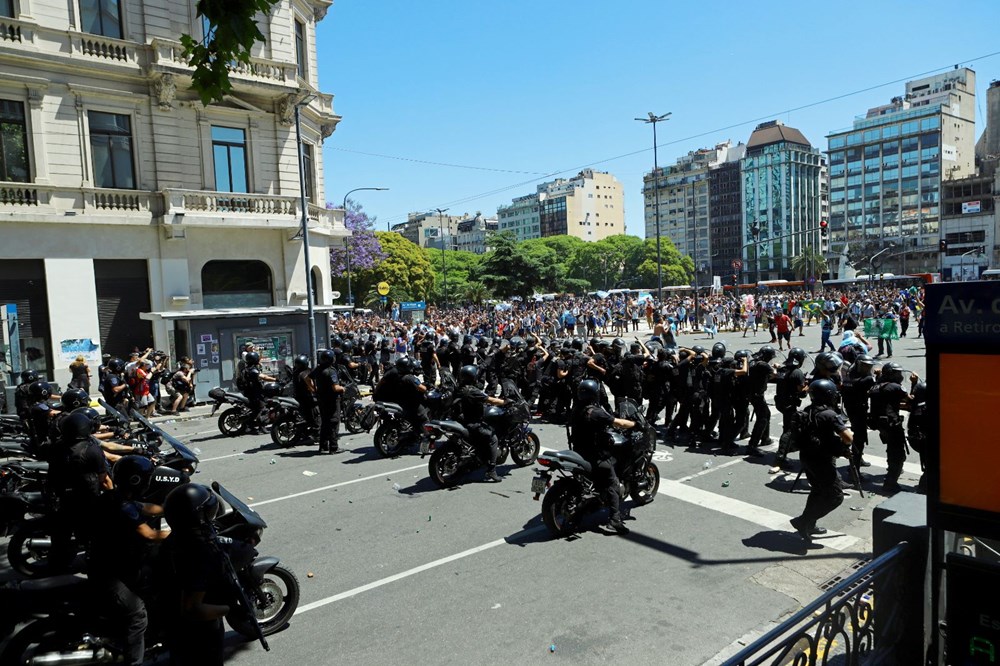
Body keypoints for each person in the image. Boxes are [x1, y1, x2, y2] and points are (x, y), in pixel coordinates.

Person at [88, 456, 169, 666]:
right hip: (109, 572)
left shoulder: (116, 496)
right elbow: (149, 534)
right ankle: (135, 662)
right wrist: (183, 531)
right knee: (137, 614)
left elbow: (145, 507)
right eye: (147, 478)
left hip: (116, 562)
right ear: (136, 480)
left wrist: (175, 509)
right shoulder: (123, 506)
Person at [161, 484, 230, 666]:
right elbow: (193, 609)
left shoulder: (173, 539)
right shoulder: (199, 552)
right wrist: (230, 608)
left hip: (174, 626)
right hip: (200, 634)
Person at [788, 379, 853, 541]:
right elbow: (848, 437)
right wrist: (844, 445)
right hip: (822, 461)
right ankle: (803, 521)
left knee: (817, 491)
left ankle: (809, 525)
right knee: (835, 497)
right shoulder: (830, 415)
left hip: (807, 457)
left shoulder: (808, 411)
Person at [569, 379, 636, 534]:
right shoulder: (596, 412)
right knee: (613, 483)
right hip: (595, 456)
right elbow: (618, 422)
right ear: (594, 394)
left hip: (579, 452)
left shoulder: (577, 408)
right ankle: (614, 520)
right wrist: (634, 424)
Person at [455, 365, 506, 482]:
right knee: (493, 439)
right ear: (473, 377)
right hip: (473, 423)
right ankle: (491, 471)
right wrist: (505, 402)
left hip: (461, 420)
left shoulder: (459, 388)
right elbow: (491, 400)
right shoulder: (473, 391)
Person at [868, 362, 909, 494]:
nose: (900, 376)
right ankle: (890, 483)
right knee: (897, 453)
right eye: (897, 373)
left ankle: (892, 471)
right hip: (891, 424)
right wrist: (914, 384)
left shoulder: (876, 386)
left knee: (891, 449)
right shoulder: (895, 387)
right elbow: (910, 399)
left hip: (880, 424)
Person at [310, 349, 344, 453]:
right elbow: (335, 387)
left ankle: (323, 447)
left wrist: (314, 389)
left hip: (321, 399)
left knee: (325, 423)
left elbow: (308, 378)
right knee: (333, 422)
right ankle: (334, 447)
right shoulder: (331, 370)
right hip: (331, 400)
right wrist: (343, 388)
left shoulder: (319, 369)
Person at [239, 353, 274, 432]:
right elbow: (264, 377)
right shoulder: (253, 370)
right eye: (257, 358)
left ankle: (249, 425)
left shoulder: (247, 368)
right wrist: (275, 379)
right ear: (254, 359)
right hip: (255, 393)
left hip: (249, 392)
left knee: (255, 410)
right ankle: (262, 427)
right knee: (262, 408)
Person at [291, 354, 318, 443]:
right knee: (315, 414)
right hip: (307, 398)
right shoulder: (305, 373)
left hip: (298, 397)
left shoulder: (295, 372)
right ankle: (316, 432)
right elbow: (312, 387)